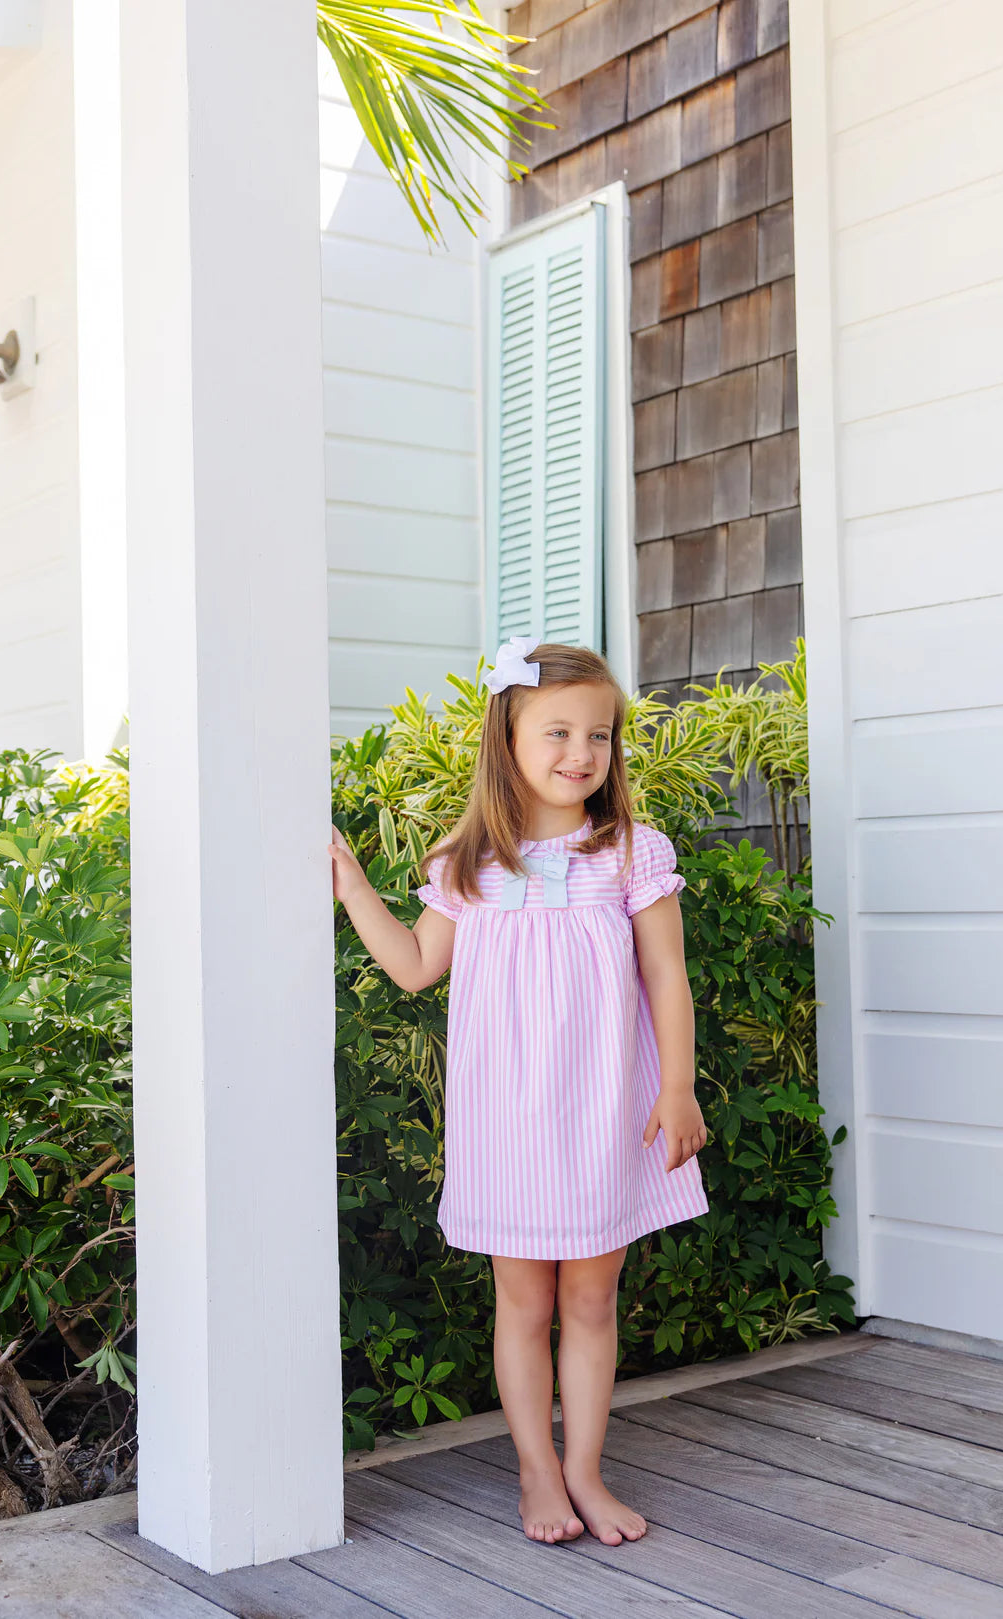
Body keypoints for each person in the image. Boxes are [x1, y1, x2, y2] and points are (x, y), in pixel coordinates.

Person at [329, 638, 708, 1548]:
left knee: (591, 1300)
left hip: (605, 1114)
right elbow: (417, 965)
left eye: (601, 735)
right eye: (559, 731)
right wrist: (350, 885)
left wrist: (681, 1086)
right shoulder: (471, 862)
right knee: (524, 1303)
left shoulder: (630, 854)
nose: (583, 752)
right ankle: (537, 1468)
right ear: (507, 740)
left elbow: (667, 977)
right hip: (508, 1124)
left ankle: (584, 1467)